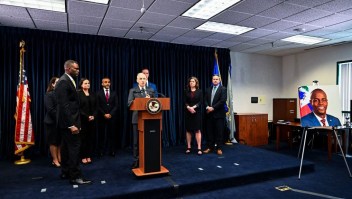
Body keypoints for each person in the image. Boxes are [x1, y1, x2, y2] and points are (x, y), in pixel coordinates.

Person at [55, 60, 91, 185]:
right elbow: (64, 106)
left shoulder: (68, 80)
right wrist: (72, 125)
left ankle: (65, 171)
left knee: (65, 149)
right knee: (74, 149)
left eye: (78, 68)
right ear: (68, 69)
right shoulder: (64, 82)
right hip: (70, 123)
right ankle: (75, 176)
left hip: (68, 122)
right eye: (76, 68)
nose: (78, 70)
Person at [127, 73, 155, 168]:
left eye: (144, 78)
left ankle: (147, 159)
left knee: (148, 140)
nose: (143, 80)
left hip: (148, 118)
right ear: (137, 80)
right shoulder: (133, 91)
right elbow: (129, 103)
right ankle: (136, 160)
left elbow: (155, 104)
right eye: (141, 78)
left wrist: (150, 99)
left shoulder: (150, 90)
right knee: (136, 142)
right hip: (136, 119)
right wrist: (143, 100)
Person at [203, 75, 227, 155]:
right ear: (212, 80)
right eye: (214, 79)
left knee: (219, 132)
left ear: (219, 81)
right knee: (210, 132)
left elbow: (222, 101)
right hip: (209, 115)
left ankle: (219, 148)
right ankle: (210, 147)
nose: (215, 80)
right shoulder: (208, 89)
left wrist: (212, 108)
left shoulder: (223, 89)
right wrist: (207, 107)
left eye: (217, 79)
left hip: (219, 115)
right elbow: (205, 100)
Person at [96, 77, 118, 157]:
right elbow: (97, 106)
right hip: (101, 117)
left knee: (112, 135)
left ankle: (112, 151)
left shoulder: (114, 93)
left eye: (108, 82)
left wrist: (110, 114)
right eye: (105, 82)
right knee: (101, 135)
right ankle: (100, 151)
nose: (107, 83)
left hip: (112, 117)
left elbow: (116, 105)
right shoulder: (98, 93)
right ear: (102, 84)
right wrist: (104, 114)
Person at [77, 78, 96, 164]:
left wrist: (93, 116)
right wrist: (87, 116)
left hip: (92, 120)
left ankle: (88, 155)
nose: (87, 84)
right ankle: (83, 156)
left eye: (88, 83)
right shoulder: (78, 94)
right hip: (83, 120)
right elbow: (78, 108)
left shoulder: (92, 93)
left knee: (90, 138)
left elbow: (96, 106)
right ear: (81, 85)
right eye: (85, 83)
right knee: (83, 139)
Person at [44, 77, 61, 168]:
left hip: (60, 123)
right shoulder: (49, 94)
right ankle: (55, 159)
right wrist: (61, 117)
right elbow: (50, 110)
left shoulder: (62, 94)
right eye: (57, 82)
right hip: (51, 122)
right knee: (53, 142)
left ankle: (59, 157)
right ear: (53, 84)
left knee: (59, 141)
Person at [184, 76, 203, 155]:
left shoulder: (200, 91)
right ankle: (189, 147)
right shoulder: (186, 91)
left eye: (193, 81)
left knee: (197, 130)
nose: (191, 82)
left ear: (196, 83)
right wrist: (189, 107)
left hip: (196, 113)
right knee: (188, 130)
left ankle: (199, 147)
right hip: (188, 113)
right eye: (190, 81)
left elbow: (200, 101)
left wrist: (194, 107)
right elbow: (184, 101)